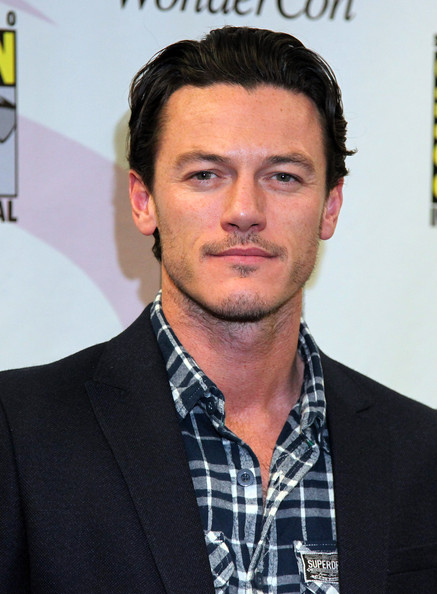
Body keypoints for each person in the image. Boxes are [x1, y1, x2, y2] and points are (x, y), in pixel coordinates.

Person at [0, 26, 436, 594]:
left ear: (330, 206)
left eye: (283, 176)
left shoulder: (422, 453)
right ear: (143, 200)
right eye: (205, 175)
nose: (244, 210)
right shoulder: (18, 433)